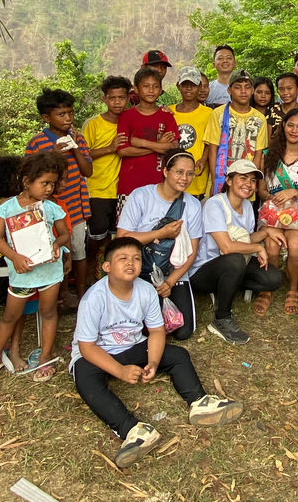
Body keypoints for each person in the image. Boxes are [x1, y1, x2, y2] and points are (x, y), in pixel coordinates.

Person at [71, 236, 244, 469]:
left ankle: (200, 402)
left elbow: (156, 332)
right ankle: (133, 430)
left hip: (133, 347)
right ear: (107, 267)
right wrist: (120, 371)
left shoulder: (146, 291)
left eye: (135, 258)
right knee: (83, 375)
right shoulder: (94, 298)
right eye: (123, 259)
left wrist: (152, 362)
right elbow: (87, 348)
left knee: (178, 356)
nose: (131, 263)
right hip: (98, 353)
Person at [0, 149, 71, 382]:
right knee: (10, 316)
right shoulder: (7, 208)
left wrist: (58, 245)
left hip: (49, 270)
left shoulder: (50, 207)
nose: (49, 188)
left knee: (49, 313)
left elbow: (64, 234)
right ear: (26, 181)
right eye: (44, 183)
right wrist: (15, 257)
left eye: (53, 183)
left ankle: (44, 357)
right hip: (22, 273)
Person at [191, 160, 284, 345]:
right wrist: (259, 248)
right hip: (204, 270)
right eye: (242, 178)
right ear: (229, 180)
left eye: (252, 180)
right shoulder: (214, 205)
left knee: (273, 278)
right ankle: (221, 318)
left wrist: (265, 232)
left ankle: (230, 284)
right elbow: (226, 246)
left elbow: (246, 237)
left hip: (233, 263)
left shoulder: (248, 206)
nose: (248, 184)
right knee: (234, 260)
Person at [116, 151, 205, 340]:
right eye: (179, 172)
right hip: (141, 269)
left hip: (173, 271)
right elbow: (122, 238)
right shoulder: (141, 196)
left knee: (182, 331)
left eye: (190, 173)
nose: (185, 178)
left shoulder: (192, 205)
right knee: (140, 329)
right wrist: (160, 234)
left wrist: (170, 282)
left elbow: (192, 250)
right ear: (165, 171)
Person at [26, 89, 93, 297]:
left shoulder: (78, 139)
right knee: (56, 251)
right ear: (46, 118)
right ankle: (59, 294)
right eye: (61, 114)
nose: (68, 118)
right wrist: (52, 154)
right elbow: (29, 175)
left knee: (78, 251)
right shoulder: (37, 143)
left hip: (75, 206)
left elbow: (87, 171)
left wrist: (74, 150)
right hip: (49, 208)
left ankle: (81, 293)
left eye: (70, 113)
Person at [258, 108, 298, 315]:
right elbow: (261, 189)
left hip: (297, 215)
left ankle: (293, 288)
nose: (294, 130)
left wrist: (294, 192)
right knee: (272, 247)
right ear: (283, 126)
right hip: (271, 213)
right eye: (290, 125)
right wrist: (272, 198)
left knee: (294, 247)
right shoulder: (268, 155)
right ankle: (269, 287)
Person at [83, 76, 130, 287]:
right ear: (105, 99)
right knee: (97, 233)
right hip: (97, 188)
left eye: (122, 97)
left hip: (122, 189)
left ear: (128, 98)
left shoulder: (130, 120)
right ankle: (89, 268)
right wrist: (111, 148)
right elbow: (84, 155)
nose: (117, 102)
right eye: (113, 98)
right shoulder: (93, 124)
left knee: (117, 235)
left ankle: (112, 275)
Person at [116, 67, 179, 199]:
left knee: (158, 220)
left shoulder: (166, 116)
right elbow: (123, 151)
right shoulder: (126, 116)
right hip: (129, 185)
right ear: (136, 89)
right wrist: (158, 145)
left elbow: (172, 147)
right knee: (127, 219)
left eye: (155, 86)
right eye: (146, 86)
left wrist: (141, 143)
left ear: (161, 90)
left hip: (160, 186)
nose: (151, 90)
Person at [203, 69, 269, 194]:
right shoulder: (218, 114)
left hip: (246, 184)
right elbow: (213, 150)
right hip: (220, 179)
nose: (243, 91)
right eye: (238, 87)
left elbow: (258, 155)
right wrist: (214, 181)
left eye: (247, 87)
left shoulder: (259, 119)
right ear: (229, 90)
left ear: (252, 90)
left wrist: (251, 182)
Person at [171, 67, 215, 198]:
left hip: (197, 175)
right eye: (185, 85)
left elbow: (210, 142)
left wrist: (203, 159)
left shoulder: (208, 113)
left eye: (193, 85)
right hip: (174, 175)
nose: (189, 89)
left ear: (200, 86)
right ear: (178, 86)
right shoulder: (169, 111)